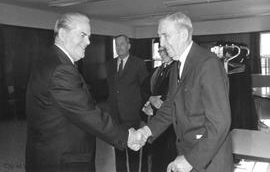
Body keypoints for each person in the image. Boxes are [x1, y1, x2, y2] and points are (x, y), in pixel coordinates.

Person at [25, 12, 144, 171]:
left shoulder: (49, 58)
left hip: (48, 152)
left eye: (88, 36)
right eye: (82, 35)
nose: (88, 42)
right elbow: (86, 113)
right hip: (62, 160)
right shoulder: (62, 68)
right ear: (62, 34)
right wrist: (127, 136)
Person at [132, 12, 233, 172]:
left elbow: (220, 124)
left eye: (166, 36)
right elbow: (170, 107)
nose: (162, 43)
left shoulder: (208, 63)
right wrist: (147, 131)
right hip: (186, 155)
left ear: (184, 34)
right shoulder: (177, 66)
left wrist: (191, 160)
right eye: (160, 37)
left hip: (209, 161)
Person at [105, 34, 149, 172]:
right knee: (119, 150)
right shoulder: (110, 64)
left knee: (134, 150)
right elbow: (111, 89)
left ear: (129, 46)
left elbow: (145, 90)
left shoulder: (138, 64)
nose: (119, 47)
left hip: (132, 116)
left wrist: (142, 114)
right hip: (115, 116)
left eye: (122, 44)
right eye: (117, 44)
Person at [142, 46, 176, 172]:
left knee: (169, 156)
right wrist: (150, 99)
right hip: (154, 119)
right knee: (156, 155)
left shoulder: (178, 69)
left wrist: (159, 105)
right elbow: (143, 89)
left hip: (170, 121)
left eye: (165, 50)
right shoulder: (157, 70)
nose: (162, 53)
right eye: (160, 51)